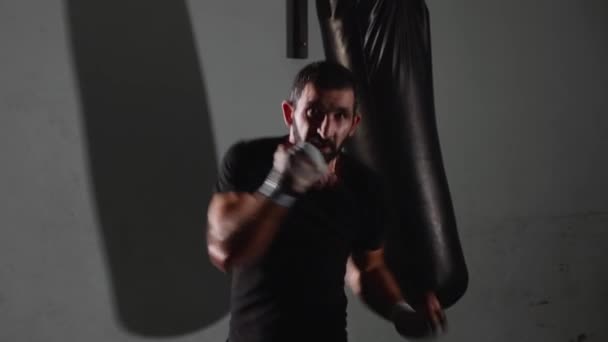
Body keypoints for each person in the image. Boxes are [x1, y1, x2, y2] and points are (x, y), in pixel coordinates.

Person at [206, 61, 447, 342]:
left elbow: (367, 268)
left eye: (340, 116)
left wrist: (401, 312)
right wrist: (282, 185)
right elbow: (224, 251)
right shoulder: (248, 161)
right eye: (314, 112)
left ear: (354, 124)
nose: (325, 129)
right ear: (290, 113)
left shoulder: (364, 186)